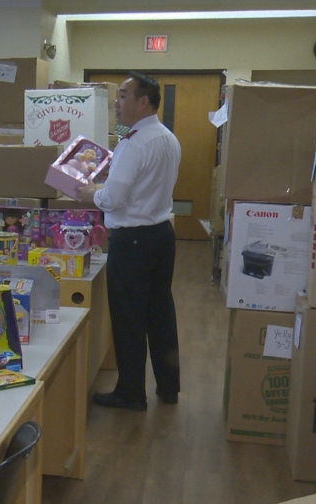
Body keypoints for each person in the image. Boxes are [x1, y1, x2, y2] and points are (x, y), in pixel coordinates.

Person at [77, 72, 181, 411]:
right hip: (161, 235)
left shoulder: (134, 142)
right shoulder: (167, 138)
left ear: (143, 102)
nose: (117, 104)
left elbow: (116, 198)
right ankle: (168, 386)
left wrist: (92, 193)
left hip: (133, 239)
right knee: (160, 313)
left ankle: (131, 392)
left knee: (129, 317)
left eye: (123, 96)